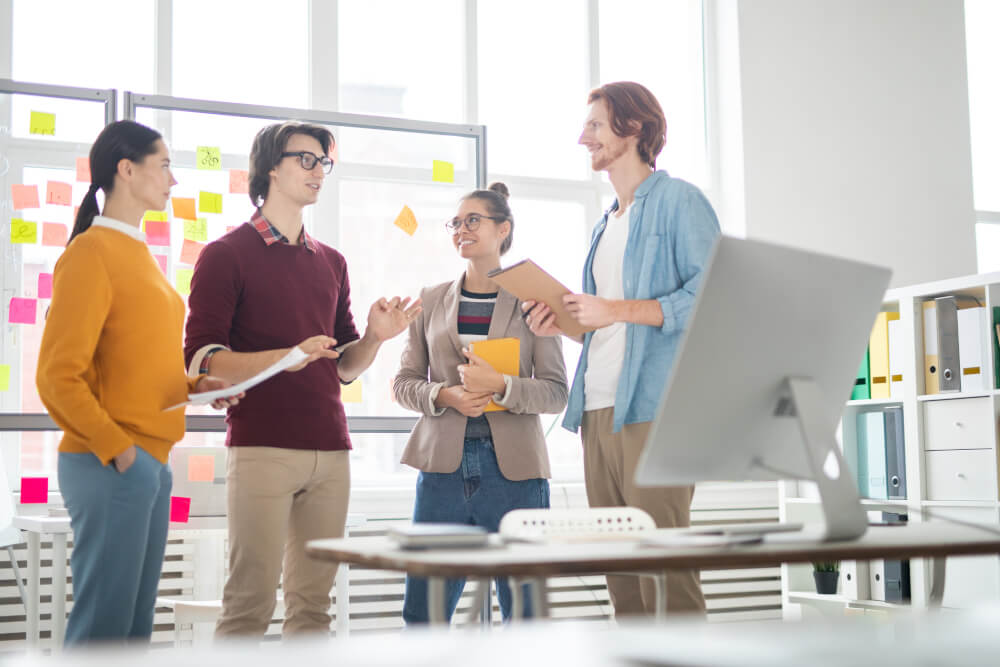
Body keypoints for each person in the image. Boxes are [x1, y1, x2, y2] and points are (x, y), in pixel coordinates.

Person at [184, 121, 420, 639]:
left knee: (314, 608)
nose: (319, 172)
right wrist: (284, 357)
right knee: (249, 602)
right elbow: (202, 359)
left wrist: (377, 338)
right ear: (271, 166)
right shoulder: (225, 256)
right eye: (306, 160)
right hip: (262, 446)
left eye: (324, 163)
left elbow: (343, 366)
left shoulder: (332, 263)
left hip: (331, 451)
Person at [36, 120, 240, 646]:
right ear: (127, 170)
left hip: (148, 463)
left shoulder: (139, 254)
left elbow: (134, 361)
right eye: (165, 165)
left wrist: (195, 385)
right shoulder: (90, 254)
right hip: (111, 463)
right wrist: (120, 452)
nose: (173, 181)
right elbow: (57, 376)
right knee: (104, 631)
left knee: (132, 632)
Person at [523, 82, 720, 617]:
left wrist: (613, 310)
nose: (582, 136)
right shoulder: (604, 223)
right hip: (598, 410)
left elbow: (711, 297)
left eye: (595, 124)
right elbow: (606, 326)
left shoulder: (680, 201)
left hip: (656, 408)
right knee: (621, 570)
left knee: (665, 570)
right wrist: (562, 325)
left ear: (633, 128)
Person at [393, 182, 568, 623]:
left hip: (516, 473)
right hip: (441, 470)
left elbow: (555, 390)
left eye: (473, 220)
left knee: (525, 614)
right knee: (423, 614)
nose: (461, 230)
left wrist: (503, 386)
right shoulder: (432, 299)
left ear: (503, 229)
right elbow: (403, 382)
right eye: (456, 222)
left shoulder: (533, 301)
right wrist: (443, 394)